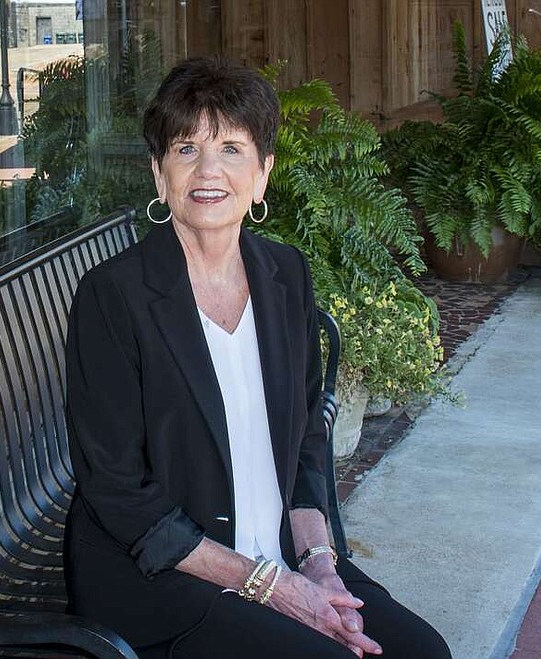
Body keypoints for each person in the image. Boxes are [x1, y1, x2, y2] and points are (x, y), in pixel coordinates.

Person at [63, 56, 452, 659]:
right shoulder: (115, 295)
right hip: (168, 580)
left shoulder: (285, 274)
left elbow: (305, 446)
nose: (208, 170)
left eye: (232, 149)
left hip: (279, 554)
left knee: (422, 652)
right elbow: (116, 489)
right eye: (186, 149)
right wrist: (270, 587)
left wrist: (321, 568)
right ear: (159, 175)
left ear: (264, 174)